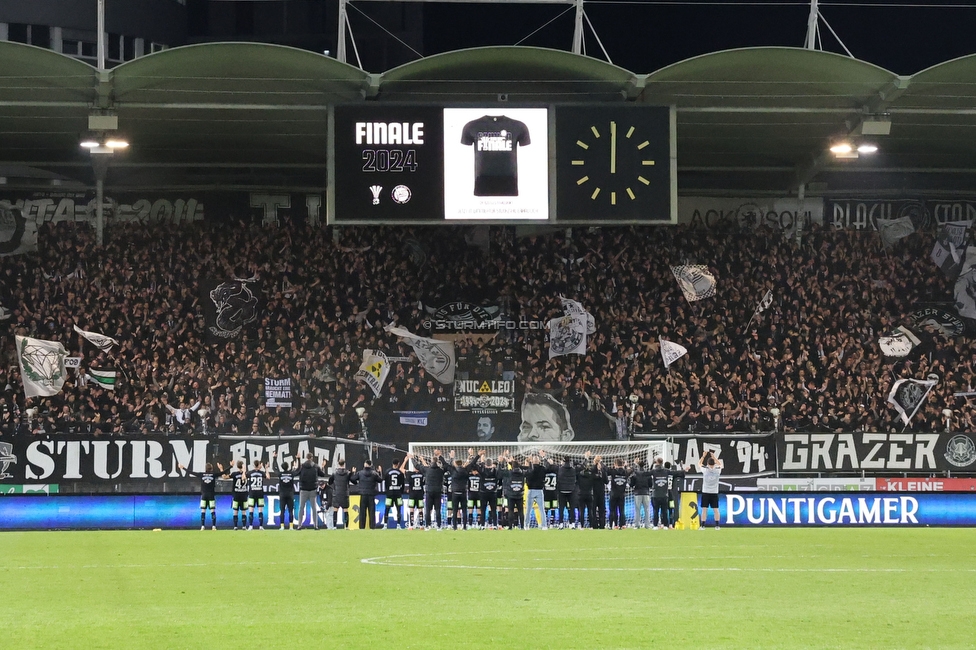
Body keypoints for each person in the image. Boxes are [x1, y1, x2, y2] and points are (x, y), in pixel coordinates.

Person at [179, 461, 224, 530]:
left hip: (204, 495)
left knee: (203, 511)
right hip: (211, 495)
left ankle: (202, 526)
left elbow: (191, 472)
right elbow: (222, 473)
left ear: (205, 468)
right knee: (212, 510)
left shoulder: (201, 475)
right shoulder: (213, 475)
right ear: (211, 469)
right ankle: (214, 526)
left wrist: (183, 468)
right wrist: (227, 467)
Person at [445, 451, 476, 530]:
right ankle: (464, 526)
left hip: (454, 493)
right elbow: (472, 464)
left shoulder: (453, 471)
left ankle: (454, 527)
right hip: (463, 493)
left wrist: (450, 457)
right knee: (464, 510)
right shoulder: (465, 471)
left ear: (456, 464)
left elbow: (446, 465)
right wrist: (476, 456)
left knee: (455, 510)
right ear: (462, 464)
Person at [418, 451, 447, 530]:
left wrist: (413, 459)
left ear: (431, 462)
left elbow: (417, 466)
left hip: (429, 491)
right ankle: (439, 526)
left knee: (428, 509)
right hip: (438, 491)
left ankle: (427, 526)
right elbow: (446, 466)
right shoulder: (440, 471)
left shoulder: (427, 470)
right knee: (438, 509)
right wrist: (440, 456)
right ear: (437, 462)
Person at [350, 459, 382, 530]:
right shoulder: (374, 473)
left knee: (362, 512)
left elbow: (352, 479)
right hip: (371, 494)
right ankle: (372, 527)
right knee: (371, 512)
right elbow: (380, 480)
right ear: (370, 465)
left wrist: (353, 473)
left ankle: (362, 527)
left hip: (363, 494)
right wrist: (379, 472)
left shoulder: (360, 473)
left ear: (365, 464)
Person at [296, 453, 325, 530]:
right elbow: (322, 474)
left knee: (301, 508)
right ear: (312, 458)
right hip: (313, 489)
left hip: (303, 489)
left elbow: (296, 472)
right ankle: (315, 525)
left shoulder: (302, 466)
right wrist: (322, 467)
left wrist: (298, 461)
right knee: (314, 508)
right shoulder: (315, 466)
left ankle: (299, 525)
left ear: (306, 457)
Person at [698, 450, 724, 529]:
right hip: (714, 492)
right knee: (716, 510)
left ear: (708, 464)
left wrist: (703, 456)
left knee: (704, 510)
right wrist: (714, 457)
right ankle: (717, 525)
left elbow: (699, 464)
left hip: (706, 492)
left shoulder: (705, 470)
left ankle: (702, 526)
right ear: (714, 463)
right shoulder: (717, 470)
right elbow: (721, 465)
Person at [524, 452, 548, 529]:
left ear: (533, 461)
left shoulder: (530, 469)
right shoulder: (542, 468)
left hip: (531, 490)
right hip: (539, 490)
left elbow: (527, 476)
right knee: (541, 509)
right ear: (539, 461)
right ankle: (544, 526)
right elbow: (548, 467)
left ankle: (526, 525)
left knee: (528, 509)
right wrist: (544, 457)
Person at [502, 454, 526, 530]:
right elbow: (530, 470)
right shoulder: (522, 472)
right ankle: (522, 526)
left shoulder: (509, 472)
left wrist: (501, 462)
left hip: (511, 495)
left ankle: (510, 526)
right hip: (520, 494)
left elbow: (500, 472)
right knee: (521, 511)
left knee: (511, 511)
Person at [246, 459, 270, 530]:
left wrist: (244, 470)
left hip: (252, 494)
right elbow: (268, 477)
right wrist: (266, 469)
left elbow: (243, 477)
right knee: (260, 511)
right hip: (260, 494)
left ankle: (250, 526)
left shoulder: (250, 473)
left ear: (253, 465)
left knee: (251, 511)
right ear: (259, 465)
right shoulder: (262, 473)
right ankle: (261, 526)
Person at [275, 455, 297, 530]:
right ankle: (291, 526)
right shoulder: (291, 474)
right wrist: (298, 459)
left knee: (282, 511)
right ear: (288, 467)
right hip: (290, 494)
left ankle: (282, 526)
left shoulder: (280, 474)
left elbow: (275, 468)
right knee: (291, 511)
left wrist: (274, 458)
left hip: (282, 494)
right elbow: (299, 470)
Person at [478, 454, 500, 529]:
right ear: (492, 464)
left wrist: (481, 461)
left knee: (483, 510)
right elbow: (500, 476)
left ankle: (482, 525)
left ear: (485, 464)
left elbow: (474, 466)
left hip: (483, 493)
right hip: (493, 493)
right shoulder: (495, 471)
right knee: (494, 510)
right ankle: (495, 525)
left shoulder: (482, 471)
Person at [404, 454, 426, 529]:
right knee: (420, 510)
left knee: (411, 510)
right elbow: (426, 468)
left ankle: (411, 525)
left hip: (412, 495)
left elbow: (401, 469)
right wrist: (423, 460)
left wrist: (405, 460)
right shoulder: (422, 474)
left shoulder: (410, 474)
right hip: (420, 494)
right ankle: (421, 525)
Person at [556, 456, 578, 528]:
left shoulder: (560, 469)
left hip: (562, 491)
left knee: (561, 508)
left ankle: (561, 524)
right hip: (571, 491)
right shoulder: (573, 470)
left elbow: (558, 479)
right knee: (572, 508)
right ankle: (572, 524)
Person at [384, 457, 406, 529]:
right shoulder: (400, 473)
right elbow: (402, 484)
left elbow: (386, 483)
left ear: (392, 464)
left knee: (387, 508)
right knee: (398, 509)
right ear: (398, 464)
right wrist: (401, 491)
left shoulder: (387, 472)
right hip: (398, 493)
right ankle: (398, 525)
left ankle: (385, 525)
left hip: (389, 493)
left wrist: (387, 491)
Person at [629, 460, 652, 529]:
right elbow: (651, 484)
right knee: (647, 510)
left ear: (638, 466)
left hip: (637, 493)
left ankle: (637, 525)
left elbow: (631, 484)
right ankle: (647, 525)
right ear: (644, 465)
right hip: (646, 493)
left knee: (637, 509)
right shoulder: (647, 474)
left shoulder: (635, 474)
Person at [329, 458, 352, 529]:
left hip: (336, 493)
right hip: (345, 493)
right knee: (345, 510)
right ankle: (347, 526)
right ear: (344, 464)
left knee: (335, 510)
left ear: (338, 464)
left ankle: (335, 526)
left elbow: (330, 482)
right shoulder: (347, 473)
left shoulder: (335, 473)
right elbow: (352, 480)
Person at [649, 457, 671, 529]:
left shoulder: (654, 471)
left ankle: (655, 525)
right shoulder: (666, 471)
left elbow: (648, 472)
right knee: (665, 511)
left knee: (655, 511)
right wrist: (683, 471)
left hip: (655, 494)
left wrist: (652, 463)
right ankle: (666, 525)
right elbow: (675, 473)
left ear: (657, 462)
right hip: (666, 494)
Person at [576, 453, 596, 529]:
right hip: (589, 494)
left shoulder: (579, 475)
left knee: (581, 511)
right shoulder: (591, 475)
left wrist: (585, 459)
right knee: (590, 511)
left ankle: (582, 526)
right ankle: (591, 526)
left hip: (581, 494)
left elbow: (578, 469)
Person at [608, 459, 629, 529]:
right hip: (622, 494)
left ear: (615, 464)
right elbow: (632, 470)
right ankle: (622, 525)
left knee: (612, 510)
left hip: (613, 493)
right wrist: (626, 466)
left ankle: (611, 525)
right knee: (621, 510)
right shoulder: (625, 472)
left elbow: (606, 470)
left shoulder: (613, 471)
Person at [228, 460, 249, 530]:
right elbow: (243, 478)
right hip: (243, 495)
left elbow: (225, 477)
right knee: (244, 512)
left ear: (237, 466)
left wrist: (222, 469)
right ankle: (243, 526)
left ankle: (235, 526)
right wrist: (244, 471)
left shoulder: (234, 474)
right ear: (243, 465)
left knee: (235, 512)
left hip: (236, 495)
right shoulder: (246, 473)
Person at [667, 461, 688, 529]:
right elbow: (681, 474)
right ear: (670, 467)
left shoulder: (662, 473)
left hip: (663, 494)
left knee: (663, 509)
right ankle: (670, 524)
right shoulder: (673, 473)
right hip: (671, 494)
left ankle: (662, 524)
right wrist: (683, 469)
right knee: (671, 509)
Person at [591, 455, 607, 529]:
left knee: (595, 509)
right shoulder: (594, 470)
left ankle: (595, 525)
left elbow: (606, 481)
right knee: (601, 509)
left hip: (595, 492)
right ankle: (601, 525)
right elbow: (606, 481)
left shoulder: (601, 470)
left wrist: (601, 471)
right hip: (599, 492)